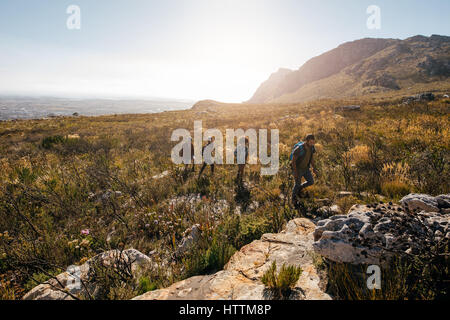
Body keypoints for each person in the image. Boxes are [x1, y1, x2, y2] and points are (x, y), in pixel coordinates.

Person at [291, 134, 318, 205]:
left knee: (311, 181)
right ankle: (293, 200)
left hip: (306, 168)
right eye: (310, 142)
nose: (312, 144)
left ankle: (299, 189)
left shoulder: (312, 148)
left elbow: (311, 159)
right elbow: (293, 161)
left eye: (313, 142)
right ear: (307, 141)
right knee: (297, 184)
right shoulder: (299, 149)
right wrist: (295, 172)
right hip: (298, 169)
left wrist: (314, 168)